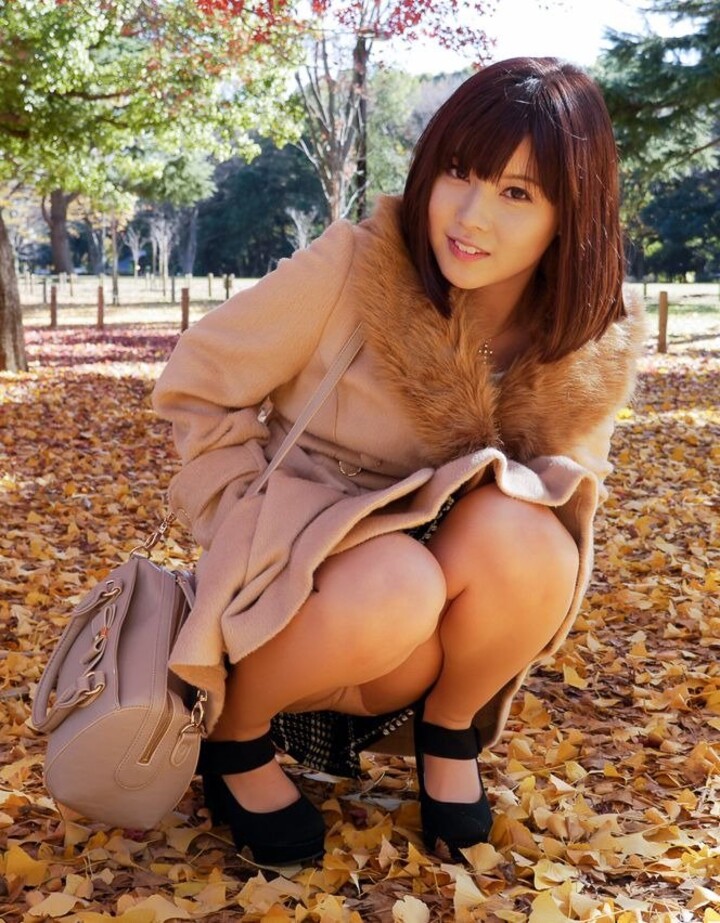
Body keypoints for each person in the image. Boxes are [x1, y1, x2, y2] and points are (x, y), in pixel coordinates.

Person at [152, 56, 645, 865]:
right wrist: (242, 517)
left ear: (572, 213)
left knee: (532, 535)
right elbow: (198, 380)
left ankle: (448, 730)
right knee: (398, 582)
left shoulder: (586, 345)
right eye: (459, 172)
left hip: (432, 635)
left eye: (516, 193)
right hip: (296, 595)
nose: (470, 216)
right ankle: (234, 732)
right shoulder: (355, 268)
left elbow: (568, 501)